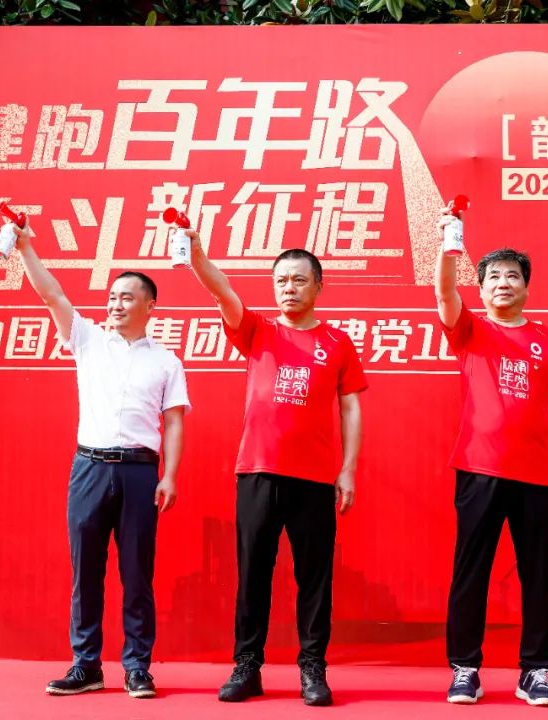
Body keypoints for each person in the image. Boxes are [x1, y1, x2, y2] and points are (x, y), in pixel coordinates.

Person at [185, 232, 367, 707]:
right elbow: (222, 290)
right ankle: (247, 666)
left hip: (314, 478)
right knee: (253, 573)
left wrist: (347, 469)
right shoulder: (257, 331)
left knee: (315, 578)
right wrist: (198, 255)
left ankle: (313, 668)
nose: (289, 288)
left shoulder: (337, 342)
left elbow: (350, 408)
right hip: (258, 471)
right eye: (282, 280)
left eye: (299, 280)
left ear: (318, 286)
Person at [12, 220, 190, 699]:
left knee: (137, 575)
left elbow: (174, 422)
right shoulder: (88, 340)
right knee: (86, 572)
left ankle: (137, 667)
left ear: (150, 306)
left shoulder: (166, 361)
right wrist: (25, 247)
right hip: (89, 468)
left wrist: (170, 475)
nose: (116, 304)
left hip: (139, 472)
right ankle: (86, 665)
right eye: (112, 297)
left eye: (127, 298)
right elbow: (51, 294)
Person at [434, 229, 548, 707]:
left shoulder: (544, 339)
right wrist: (449, 245)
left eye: (512, 276)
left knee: (539, 575)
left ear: (526, 287)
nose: (503, 283)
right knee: (471, 571)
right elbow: (444, 292)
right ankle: (465, 669)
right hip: (479, 468)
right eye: (493, 277)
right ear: (481, 289)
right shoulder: (471, 330)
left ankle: (535, 671)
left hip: (534, 474)